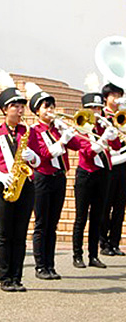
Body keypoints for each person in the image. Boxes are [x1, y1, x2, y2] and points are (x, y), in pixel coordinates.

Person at [0, 71, 41, 292]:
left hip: (26, 187)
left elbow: (39, 158)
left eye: (22, 106)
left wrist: (34, 158)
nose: (20, 110)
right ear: (5, 109)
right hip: (3, 187)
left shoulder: (29, 132)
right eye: (16, 106)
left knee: (20, 234)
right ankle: (5, 278)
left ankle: (17, 276)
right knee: (5, 234)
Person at [25, 82, 81, 280]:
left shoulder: (57, 128)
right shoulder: (33, 131)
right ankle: (40, 266)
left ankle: (51, 265)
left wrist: (74, 132)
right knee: (42, 223)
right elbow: (43, 154)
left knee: (53, 224)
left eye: (51, 106)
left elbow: (76, 144)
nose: (50, 110)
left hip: (59, 178)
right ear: (37, 111)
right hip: (42, 178)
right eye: (45, 107)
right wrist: (62, 140)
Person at [72, 84, 120, 269]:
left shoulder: (103, 126)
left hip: (103, 174)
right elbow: (88, 152)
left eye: (98, 108)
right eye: (92, 108)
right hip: (86, 174)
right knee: (81, 217)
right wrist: (102, 139)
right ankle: (77, 255)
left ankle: (93, 255)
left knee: (98, 217)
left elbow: (116, 146)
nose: (96, 111)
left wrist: (111, 131)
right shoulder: (80, 127)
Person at [99, 83, 126, 256]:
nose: (116, 99)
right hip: (108, 163)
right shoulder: (101, 116)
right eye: (113, 96)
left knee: (120, 205)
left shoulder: (123, 115)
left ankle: (115, 242)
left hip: (123, 162)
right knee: (105, 203)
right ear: (106, 98)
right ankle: (103, 242)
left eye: (119, 95)